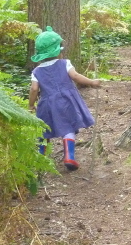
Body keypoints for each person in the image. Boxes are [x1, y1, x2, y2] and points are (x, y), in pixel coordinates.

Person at [28, 26, 101, 171]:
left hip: (46, 104)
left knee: (44, 131)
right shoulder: (65, 63)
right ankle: (69, 156)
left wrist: (31, 105)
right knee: (68, 127)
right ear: (58, 51)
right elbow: (75, 76)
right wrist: (92, 82)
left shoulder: (36, 71)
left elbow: (34, 89)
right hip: (67, 101)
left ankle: (41, 159)